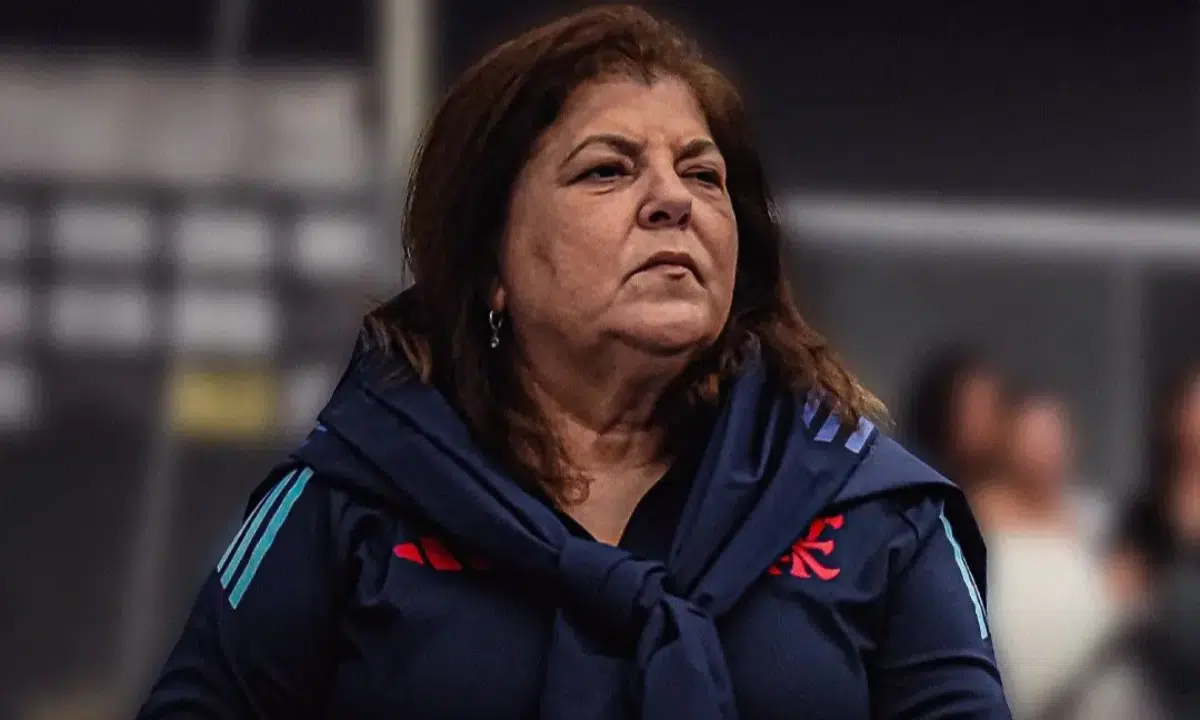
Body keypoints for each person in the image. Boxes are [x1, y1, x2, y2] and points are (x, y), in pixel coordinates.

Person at [137, 6, 1010, 719]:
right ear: (492, 263)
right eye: (606, 171)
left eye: (703, 176)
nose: (672, 201)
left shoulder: (872, 508)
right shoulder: (347, 496)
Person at [1037, 367, 1200, 720]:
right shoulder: (1145, 513)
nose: (1194, 424)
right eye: (1189, 409)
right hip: (1156, 685)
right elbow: (1117, 593)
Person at [972, 394, 1115, 719]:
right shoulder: (974, 518)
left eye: (1052, 438)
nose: (1042, 453)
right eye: (1031, 439)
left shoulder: (1094, 519)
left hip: (1090, 693)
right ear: (1006, 442)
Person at [904, 346, 1010, 503]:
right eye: (976, 409)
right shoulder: (913, 491)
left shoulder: (1003, 491)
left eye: (995, 408)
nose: (992, 423)